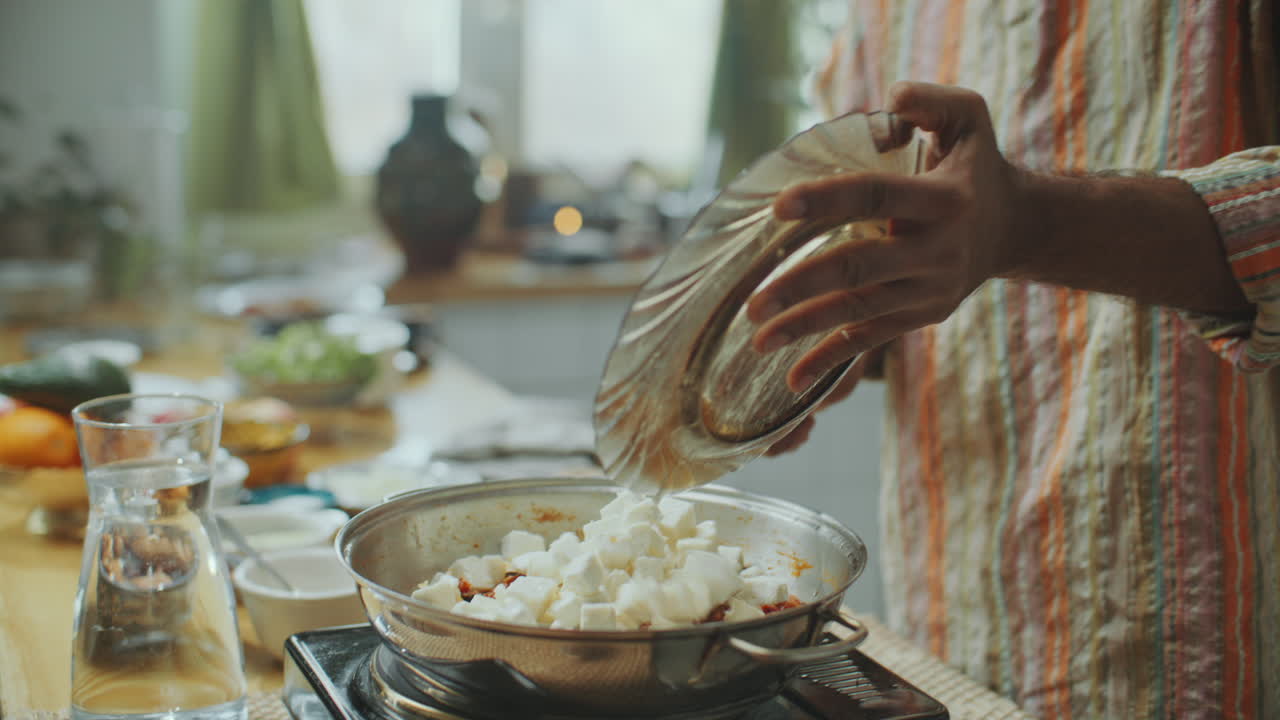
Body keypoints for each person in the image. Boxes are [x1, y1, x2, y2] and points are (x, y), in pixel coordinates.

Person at [751, 2, 1279, 719]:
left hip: (1205, 650)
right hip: (944, 633)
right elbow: (885, 234)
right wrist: (835, 331)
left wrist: (1029, 221)